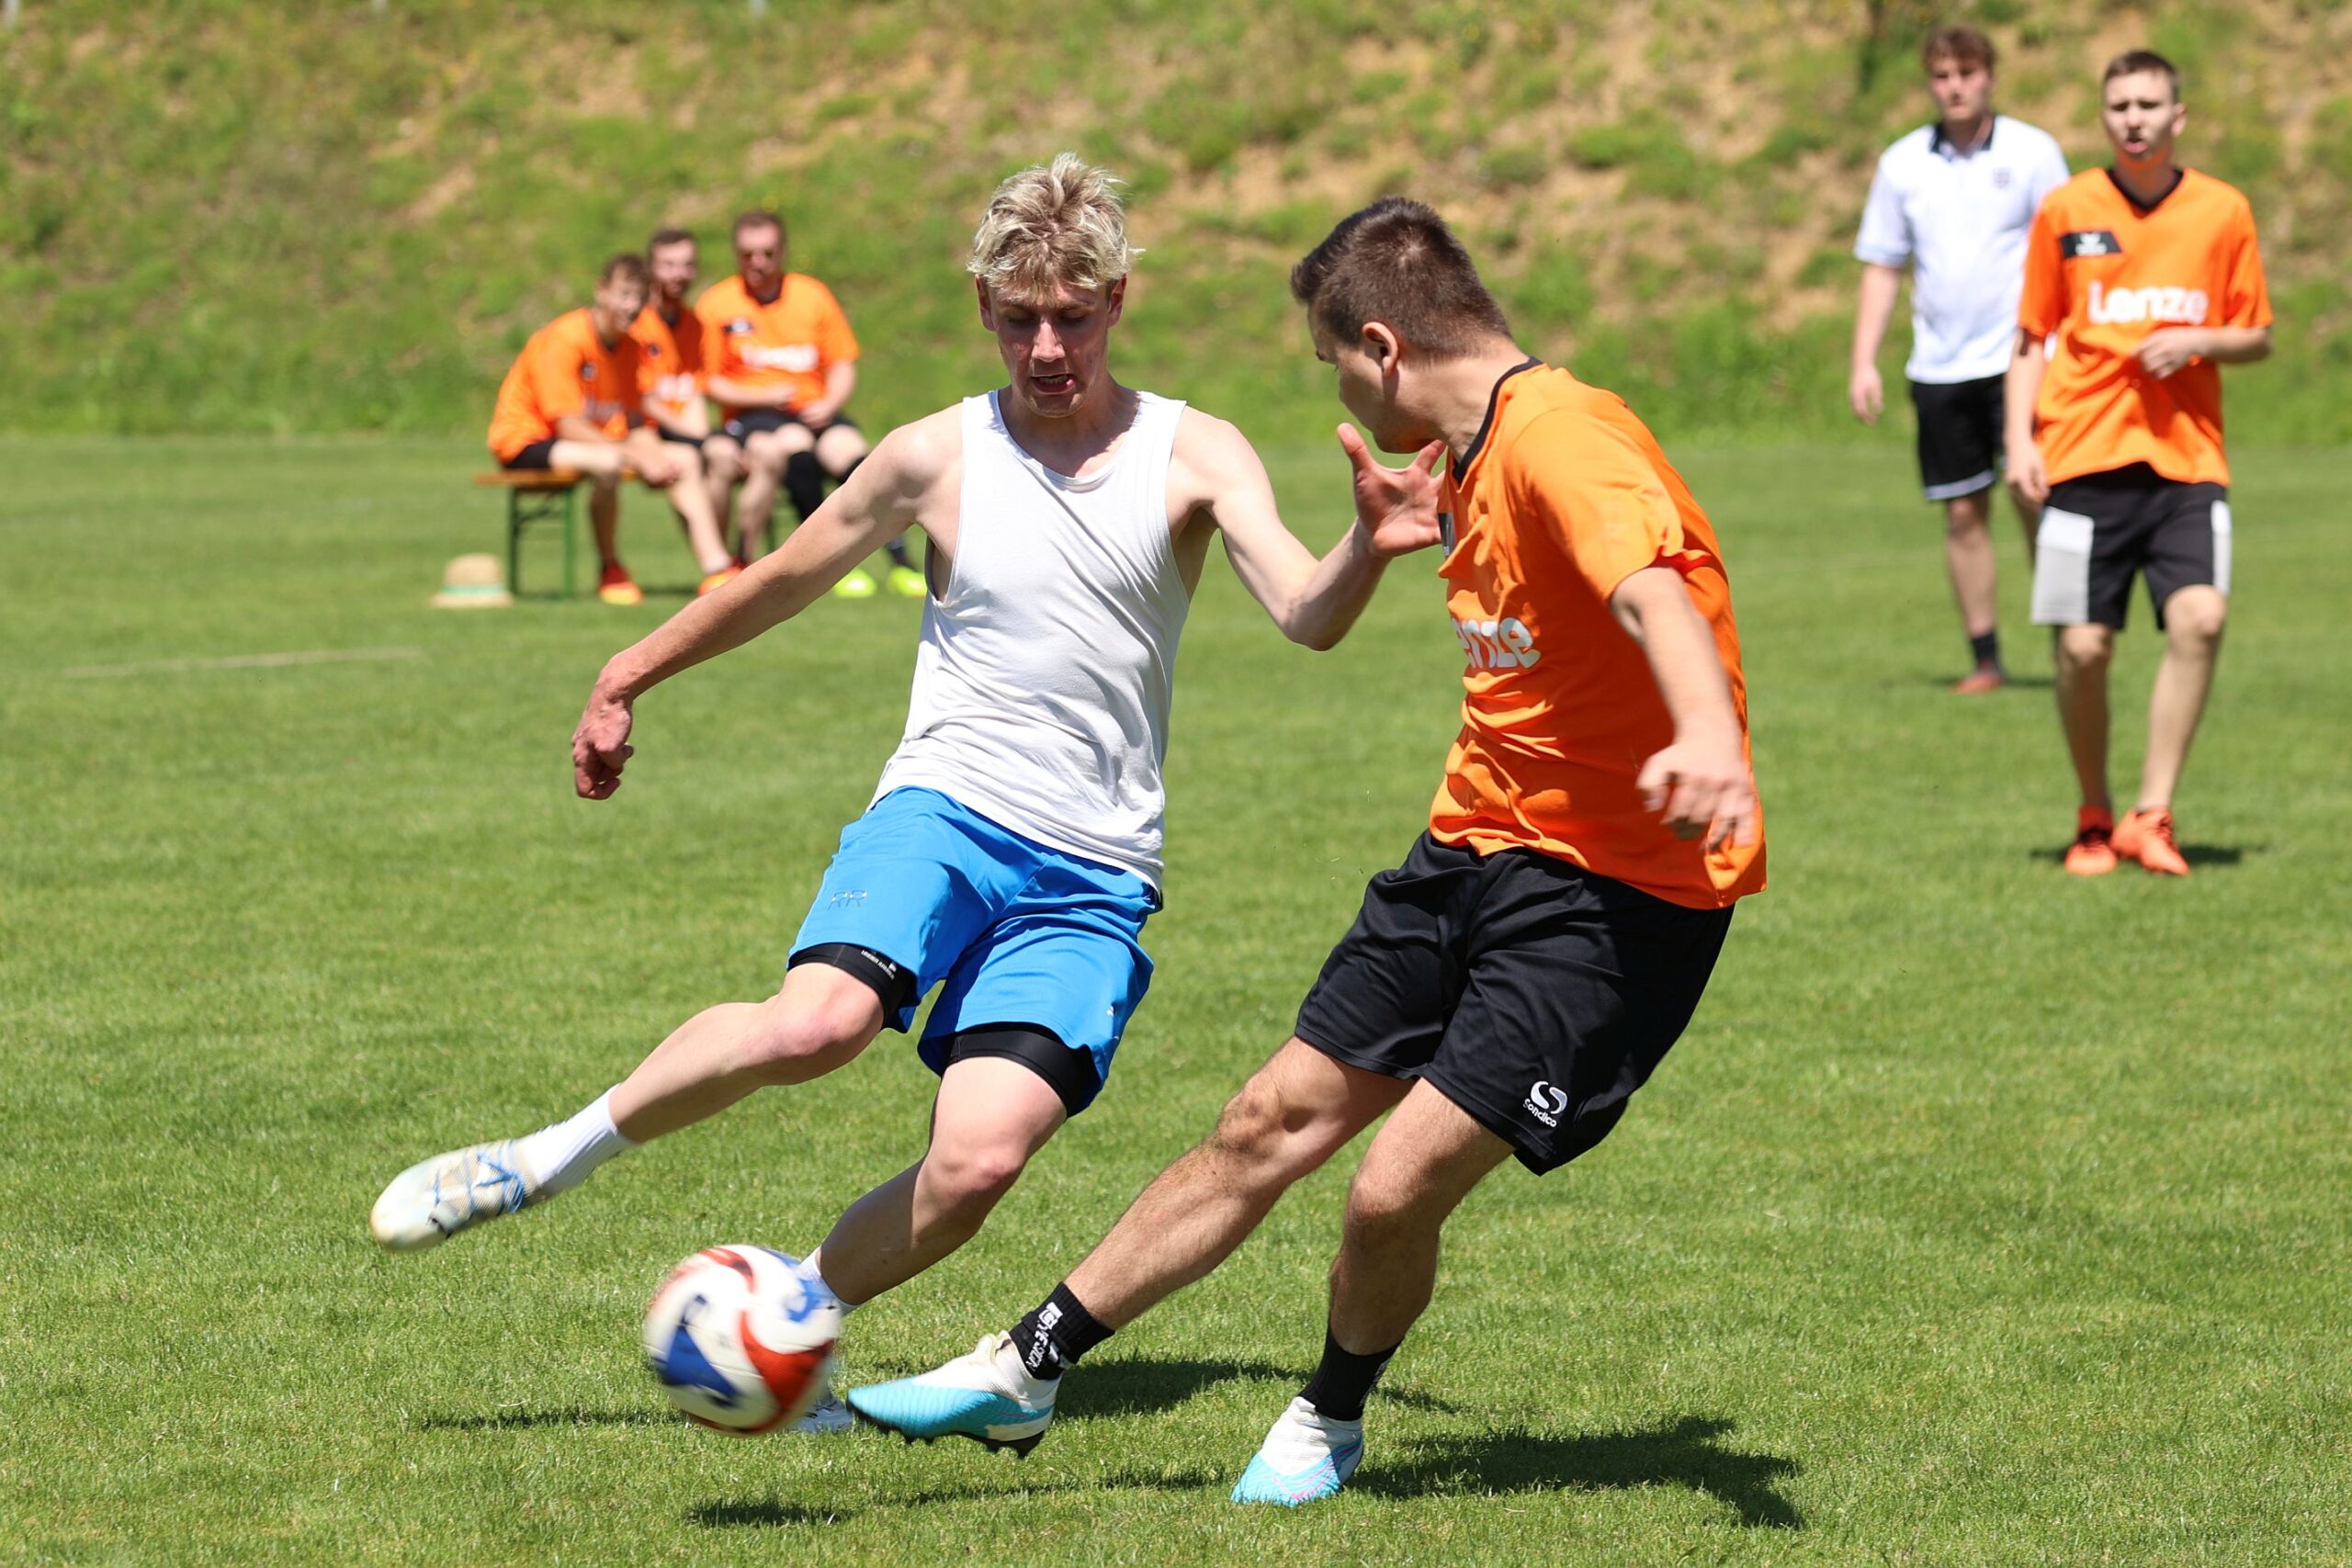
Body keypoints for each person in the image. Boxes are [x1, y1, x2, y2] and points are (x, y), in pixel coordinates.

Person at [368, 156, 1445, 1436]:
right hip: (946, 808)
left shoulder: (1192, 450)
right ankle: (545, 1157)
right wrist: (626, 672)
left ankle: (790, 1318)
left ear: (1116, 300)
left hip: (1094, 870)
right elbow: (779, 577)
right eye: (1018, 318)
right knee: (814, 1025)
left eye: (1074, 316)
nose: (1047, 348)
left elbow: (1305, 613)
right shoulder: (935, 455)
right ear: (983, 306)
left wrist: (1365, 546)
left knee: (980, 1159)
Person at [849, 198, 1767, 1506]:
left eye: (1333, 362)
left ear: (1383, 348)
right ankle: (1024, 1368)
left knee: (1391, 1188)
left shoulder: (1561, 439)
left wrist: (1708, 737)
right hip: (1471, 848)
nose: (1331, 386)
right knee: (1264, 1119)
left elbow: (1652, 587)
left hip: (1614, 897)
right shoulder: (1470, 452)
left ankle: (1329, 1415)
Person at [2006, 51, 2271, 878]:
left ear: (2177, 116)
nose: (2133, 118)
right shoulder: (2067, 209)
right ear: (2104, 115)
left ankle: (2152, 814)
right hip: (2080, 458)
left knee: (2201, 619)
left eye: (2149, 104)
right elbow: (2031, 336)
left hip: (2188, 461)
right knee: (2082, 648)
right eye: (2119, 104)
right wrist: (2019, 439)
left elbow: (2257, 334)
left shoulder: (2223, 211)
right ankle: (2093, 815)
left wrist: (2199, 340)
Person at [1851, 24, 2070, 693]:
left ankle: (2073, 644)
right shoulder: (1903, 164)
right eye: (1942, 75)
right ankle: (1986, 659)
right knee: (1963, 512)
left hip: (2022, 359)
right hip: (1941, 367)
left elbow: (2068, 255)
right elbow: (1883, 266)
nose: (1955, 87)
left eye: (1967, 73)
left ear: (1990, 77)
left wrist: (2071, 344)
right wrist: (1863, 361)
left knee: (2038, 497)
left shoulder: (2034, 153)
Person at [696, 211, 922, 598]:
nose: (758, 263)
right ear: (736, 254)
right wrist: (763, 396)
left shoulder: (811, 295)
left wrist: (829, 404)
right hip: (755, 418)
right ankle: (829, 565)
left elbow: (842, 364)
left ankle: (902, 563)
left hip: (813, 412)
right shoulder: (717, 303)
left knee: (854, 454)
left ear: (782, 252)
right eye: (748, 255)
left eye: (767, 253)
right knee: (795, 445)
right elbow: (709, 381)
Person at [486, 254, 733, 604]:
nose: (631, 306)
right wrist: (637, 456)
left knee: (685, 459)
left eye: (640, 298)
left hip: (593, 442)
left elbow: (632, 421)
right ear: (601, 291)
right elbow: (568, 424)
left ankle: (718, 568)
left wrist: (657, 457)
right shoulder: (565, 339)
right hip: (529, 439)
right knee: (608, 463)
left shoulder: (631, 347)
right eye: (624, 294)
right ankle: (610, 568)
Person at [630, 228, 744, 595]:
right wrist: (698, 440)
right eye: (668, 265)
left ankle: (735, 559)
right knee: (689, 461)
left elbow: (694, 390)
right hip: (639, 430)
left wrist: (706, 438)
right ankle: (718, 566)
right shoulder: (636, 322)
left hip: (681, 428)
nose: (679, 274)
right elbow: (644, 400)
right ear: (650, 269)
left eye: (687, 265)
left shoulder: (694, 324)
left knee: (727, 456)